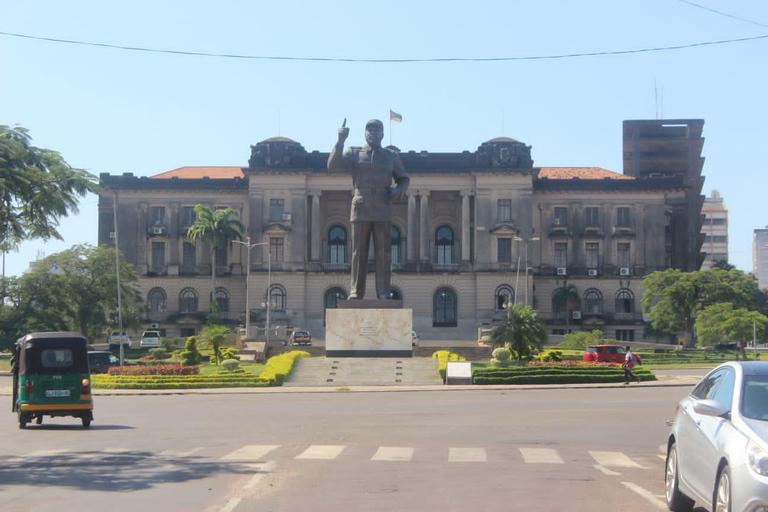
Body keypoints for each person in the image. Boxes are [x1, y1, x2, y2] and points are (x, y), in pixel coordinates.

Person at [327, 119, 410, 300]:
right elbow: (333, 166)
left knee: (383, 252)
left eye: (377, 129)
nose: (373, 132)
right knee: (358, 251)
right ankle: (356, 291)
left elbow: (404, 179)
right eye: (369, 129)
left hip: (383, 205)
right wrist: (340, 141)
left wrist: (398, 191)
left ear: (382, 134)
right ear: (365, 133)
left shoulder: (391, 156)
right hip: (361, 205)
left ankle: (383, 291)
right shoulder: (354, 153)